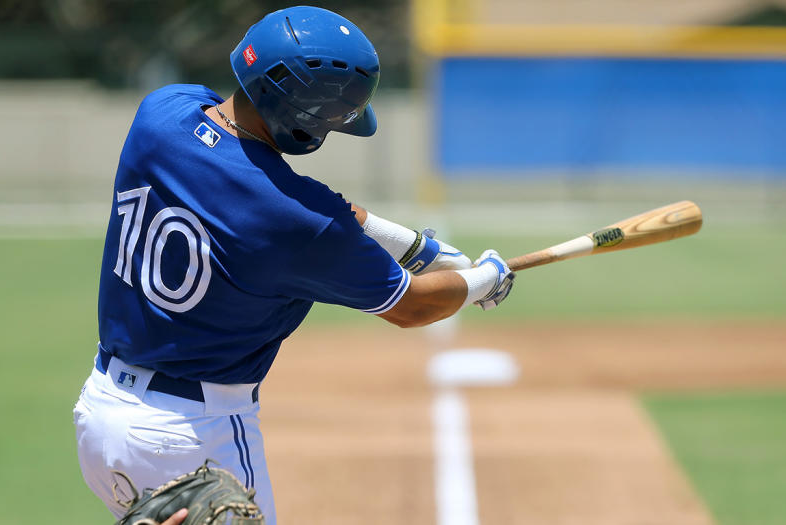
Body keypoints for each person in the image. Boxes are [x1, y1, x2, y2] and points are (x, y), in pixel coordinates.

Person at [73, 6, 514, 524]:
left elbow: (304, 203)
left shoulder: (161, 112)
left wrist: (418, 248)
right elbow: (412, 307)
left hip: (101, 417)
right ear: (303, 120)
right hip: (194, 438)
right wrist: (486, 277)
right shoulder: (297, 222)